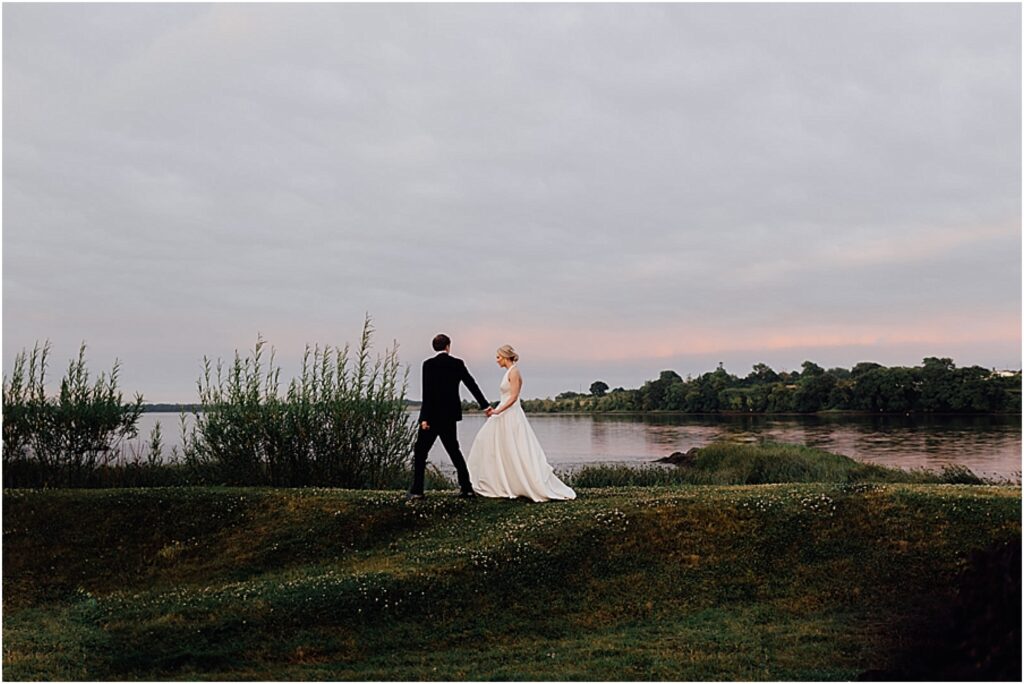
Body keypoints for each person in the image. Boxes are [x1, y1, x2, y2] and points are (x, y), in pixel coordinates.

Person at [467, 345, 576, 502]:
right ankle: (496, 481)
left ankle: (523, 483)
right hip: (503, 412)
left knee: (515, 447)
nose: (496, 360)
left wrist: (498, 411)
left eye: (498, 357)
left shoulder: (515, 372)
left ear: (505, 357)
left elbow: (513, 397)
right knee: (487, 442)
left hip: (510, 414)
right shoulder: (508, 373)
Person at [407, 334, 491, 500]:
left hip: (431, 418)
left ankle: (417, 490)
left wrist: (423, 418)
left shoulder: (428, 365)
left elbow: (427, 393)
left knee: (420, 452)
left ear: (434, 347)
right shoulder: (457, 364)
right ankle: (466, 489)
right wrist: (485, 405)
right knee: (454, 451)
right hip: (449, 417)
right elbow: (471, 384)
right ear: (448, 346)